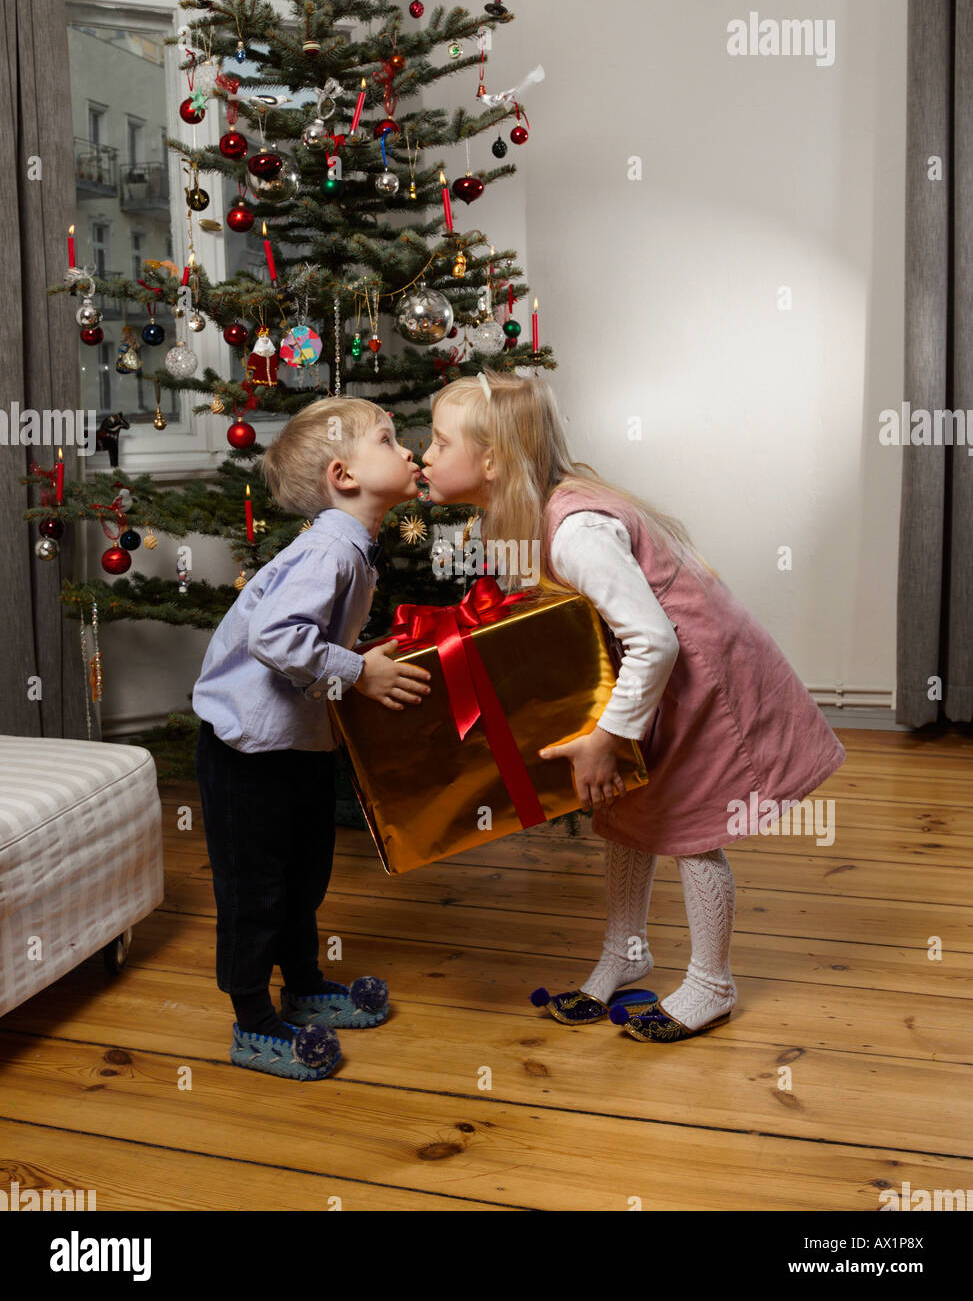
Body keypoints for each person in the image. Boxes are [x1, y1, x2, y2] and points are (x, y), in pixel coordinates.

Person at [420, 369, 846, 1043]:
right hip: (651, 679)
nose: (425, 456)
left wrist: (605, 735)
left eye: (439, 442)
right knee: (627, 812)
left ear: (493, 459)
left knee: (689, 822)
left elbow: (653, 639)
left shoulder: (573, 531)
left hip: (699, 682)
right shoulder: (522, 514)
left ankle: (711, 980)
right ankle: (626, 952)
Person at [192, 398, 432, 1079]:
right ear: (343, 475)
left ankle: (300, 984)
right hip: (247, 752)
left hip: (294, 744)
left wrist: (359, 663)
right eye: (389, 440)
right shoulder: (328, 550)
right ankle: (252, 1023)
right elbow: (276, 638)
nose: (409, 450)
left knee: (303, 875)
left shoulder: (349, 546)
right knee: (256, 887)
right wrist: (358, 672)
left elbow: (310, 641)